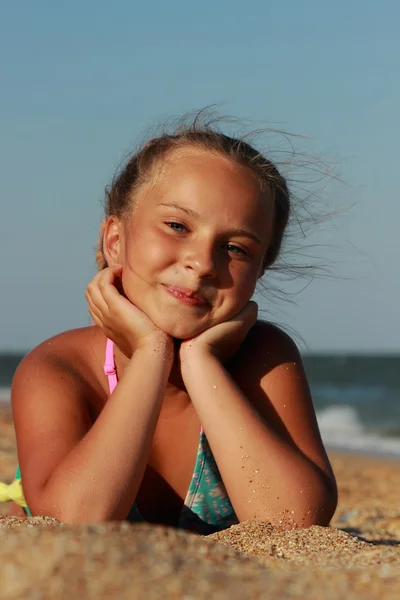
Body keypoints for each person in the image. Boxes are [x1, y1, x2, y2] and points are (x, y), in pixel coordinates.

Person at [4, 116, 337, 533]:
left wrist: (201, 364)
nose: (201, 264)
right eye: (177, 226)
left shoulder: (264, 357)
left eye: (235, 248)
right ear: (115, 242)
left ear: (258, 274)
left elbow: (297, 522)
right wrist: (150, 355)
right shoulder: (58, 369)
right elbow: (74, 523)